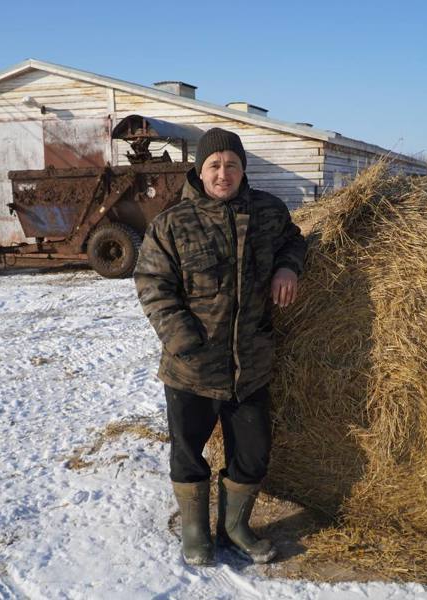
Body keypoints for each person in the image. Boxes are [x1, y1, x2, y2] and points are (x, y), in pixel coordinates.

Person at [134, 128, 307, 566]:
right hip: (191, 367)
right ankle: (195, 532)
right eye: (214, 165)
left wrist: (288, 267)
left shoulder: (268, 211)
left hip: (251, 363)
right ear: (200, 170)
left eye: (231, 164)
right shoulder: (172, 224)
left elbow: (293, 239)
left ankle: (235, 527)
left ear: (243, 168)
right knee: (189, 452)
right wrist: (182, 340)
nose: (223, 173)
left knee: (252, 453)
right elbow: (153, 284)